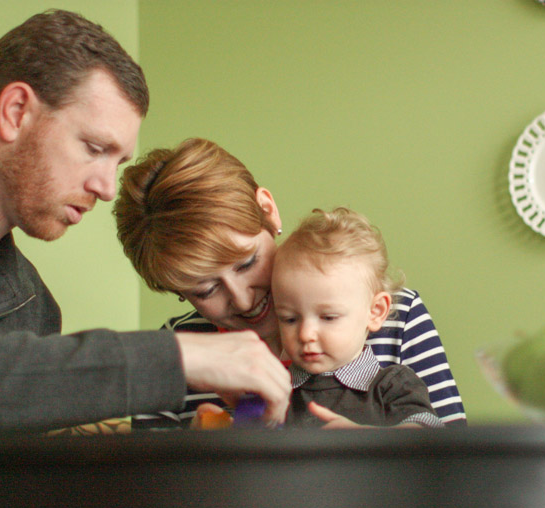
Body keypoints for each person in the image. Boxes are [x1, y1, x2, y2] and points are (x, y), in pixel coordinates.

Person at [0, 10, 290, 433]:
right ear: (16, 111)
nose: (107, 188)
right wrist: (176, 358)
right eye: (95, 147)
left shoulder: (33, 308)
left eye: (118, 162)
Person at [114, 138, 467, 428]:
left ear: (268, 211)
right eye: (204, 290)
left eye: (247, 262)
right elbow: (152, 501)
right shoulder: (173, 353)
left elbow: (454, 471)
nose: (241, 299)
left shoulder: (397, 316)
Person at [273, 207, 444, 428]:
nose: (305, 334)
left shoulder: (392, 385)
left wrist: (365, 438)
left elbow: (429, 437)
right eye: (289, 319)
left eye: (328, 317)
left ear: (375, 312)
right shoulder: (276, 388)